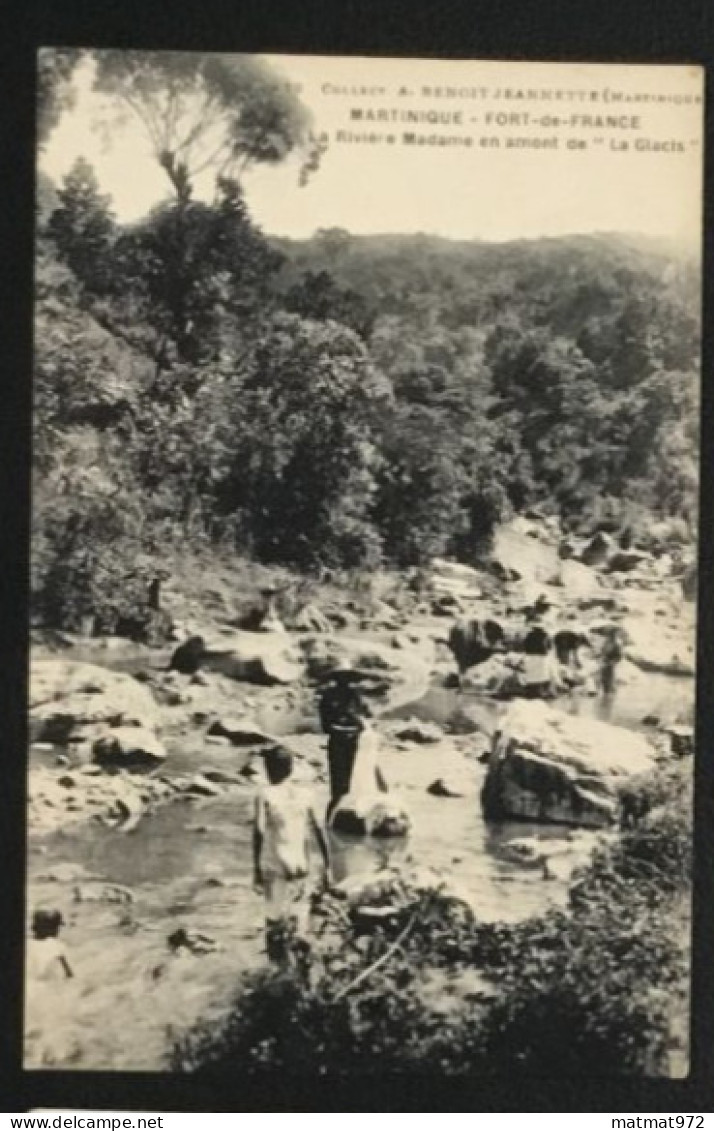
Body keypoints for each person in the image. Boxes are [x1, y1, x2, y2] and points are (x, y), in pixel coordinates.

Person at [252, 745, 330, 963]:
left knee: (274, 925)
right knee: (299, 924)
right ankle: (302, 973)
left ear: (269, 768)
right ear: (291, 769)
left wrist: (256, 869)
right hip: (300, 864)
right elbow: (319, 829)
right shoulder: (306, 794)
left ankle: (276, 974)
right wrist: (328, 865)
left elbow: (259, 830)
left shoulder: (265, 794)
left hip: (276, 863)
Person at [318, 663, 373, 821]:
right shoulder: (328, 697)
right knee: (337, 789)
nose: (345, 681)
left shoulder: (355, 696)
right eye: (341, 678)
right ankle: (330, 822)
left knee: (353, 786)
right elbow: (326, 726)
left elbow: (362, 718)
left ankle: (344, 822)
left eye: (347, 678)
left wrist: (359, 726)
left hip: (354, 743)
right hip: (337, 743)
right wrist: (346, 729)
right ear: (336, 679)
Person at [27, 909, 73, 981]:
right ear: (52, 929)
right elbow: (69, 973)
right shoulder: (57, 946)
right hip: (51, 983)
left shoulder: (27, 943)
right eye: (56, 927)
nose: (58, 930)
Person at [599, 627, 623, 696]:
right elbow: (602, 652)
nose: (608, 636)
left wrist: (613, 662)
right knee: (604, 680)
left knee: (610, 680)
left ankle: (609, 696)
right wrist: (601, 657)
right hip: (604, 663)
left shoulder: (616, 644)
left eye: (609, 635)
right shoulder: (606, 643)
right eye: (608, 635)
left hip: (611, 664)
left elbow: (619, 656)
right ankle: (606, 695)